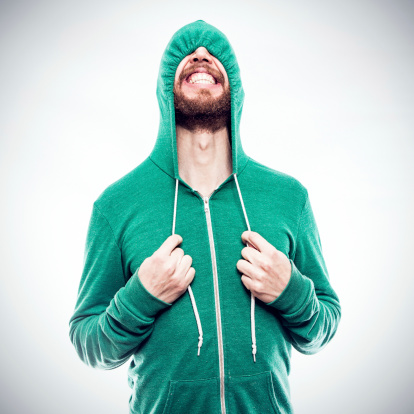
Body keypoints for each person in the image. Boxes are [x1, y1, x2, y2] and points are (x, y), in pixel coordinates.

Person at [69, 19, 341, 414]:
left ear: (236, 88)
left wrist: (292, 291)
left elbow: (323, 326)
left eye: (215, 54)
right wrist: (139, 297)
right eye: (186, 54)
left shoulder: (289, 198)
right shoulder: (116, 205)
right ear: (165, 88)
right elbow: (87, 342)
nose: (199, 54)